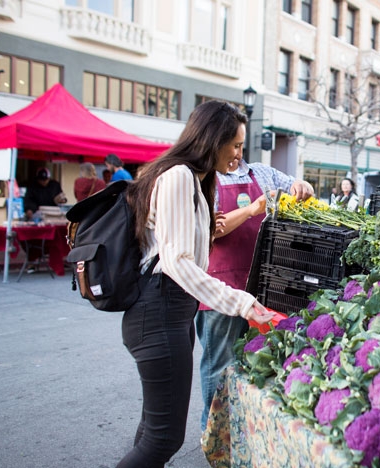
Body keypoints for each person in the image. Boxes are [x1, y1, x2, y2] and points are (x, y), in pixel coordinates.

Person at [116, 100, 275, 467]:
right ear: (213, 139)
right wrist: (240, 301)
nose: (239, 153)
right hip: (157, 311)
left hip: (171, 313)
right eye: (234, 144)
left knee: (153, 431)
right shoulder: (179, 177)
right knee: (164, 438)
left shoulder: (197, 180)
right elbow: (177, 262)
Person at [195, 143, 314, 433]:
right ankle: (214, 434)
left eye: (240, 144)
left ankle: (244, 428)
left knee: (256, 359)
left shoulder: (261, 173)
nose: (237, 151)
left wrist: (302, 186)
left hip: (263, 283)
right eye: (232, 144)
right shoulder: (206, 179)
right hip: (219, 287)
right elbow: (211, 229)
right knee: (219, 364)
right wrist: (252, 209)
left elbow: (298, 186)